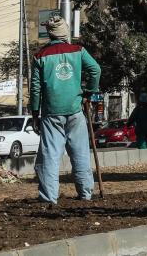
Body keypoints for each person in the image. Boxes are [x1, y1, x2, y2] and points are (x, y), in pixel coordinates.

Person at [30, 15, 101, 204]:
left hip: (51, 113)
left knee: (50, 156)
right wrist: (89, 92)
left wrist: (35, 114)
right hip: (75, 109)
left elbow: (35, 88)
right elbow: (95, 70)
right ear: (64, 33)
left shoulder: (40, 56)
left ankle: (49, 198)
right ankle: (86, 194)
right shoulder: (78, 51)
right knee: (80, 153)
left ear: (50, 34)